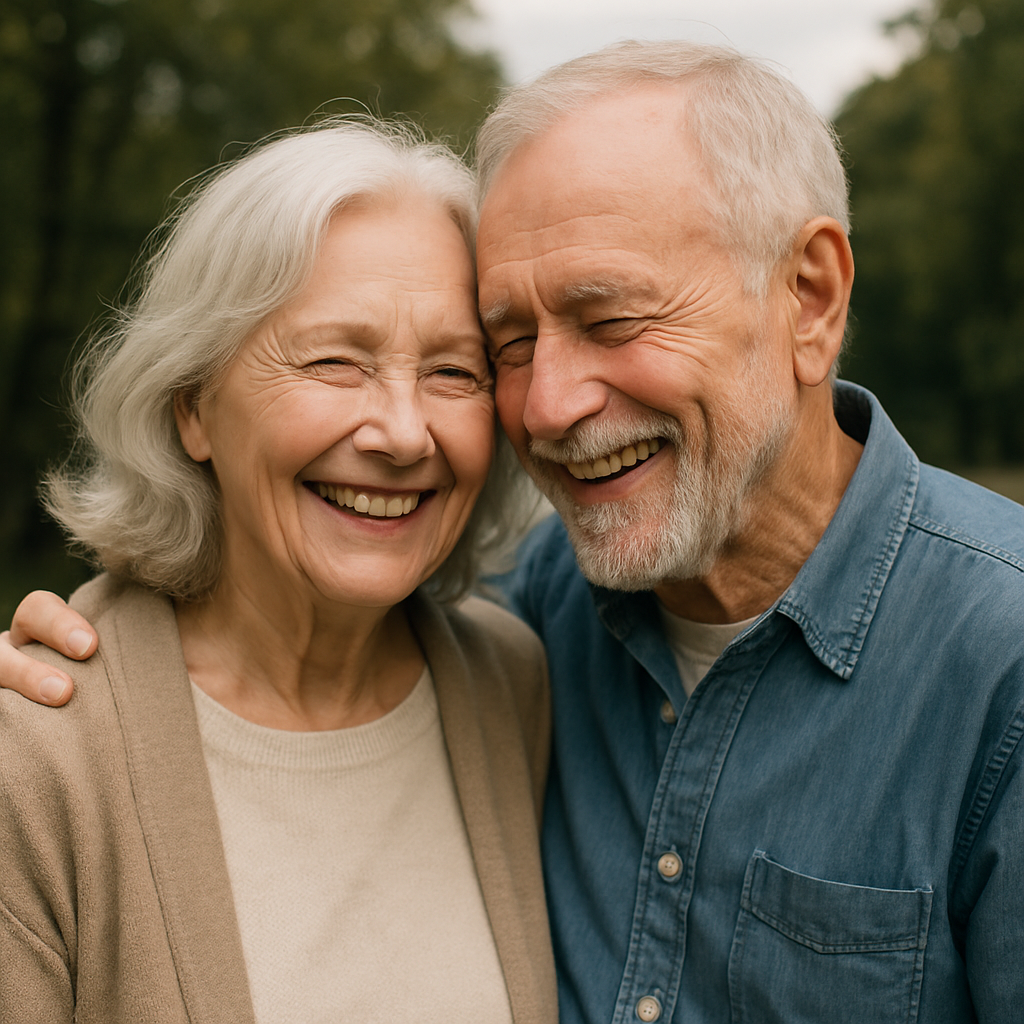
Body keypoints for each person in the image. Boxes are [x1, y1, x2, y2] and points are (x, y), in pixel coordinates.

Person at [5, 40, 1024, 1024]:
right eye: (511, 345)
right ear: (191, 405)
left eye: (611, 319)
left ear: (809, 297)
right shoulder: (539, 619)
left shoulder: (996, 663)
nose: (546, 406)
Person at [0, 120, 557, 1022]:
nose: (403, 432)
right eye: (336, 362)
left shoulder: (517, 686)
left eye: (454, 372)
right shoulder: (35, 759)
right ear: (193, 408)